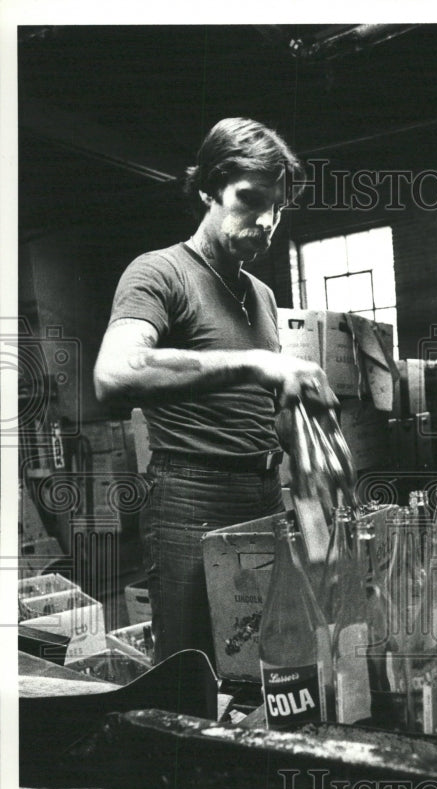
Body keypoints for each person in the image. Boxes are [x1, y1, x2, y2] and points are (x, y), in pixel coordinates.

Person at [94, 117, 335, 666]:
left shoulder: (264, 296)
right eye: (250, 199)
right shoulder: (159, 273)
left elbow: (261, 408)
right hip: (190, 499)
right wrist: (254, 362)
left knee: (266, 657)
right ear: (208, 189)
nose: (267, 220)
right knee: (193, 669)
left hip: (263, 493)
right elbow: (115, 371)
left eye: (278, 207)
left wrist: (308, 465)